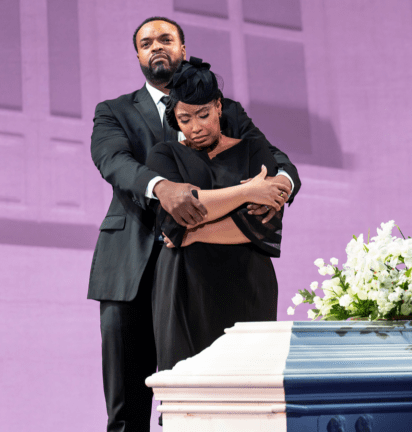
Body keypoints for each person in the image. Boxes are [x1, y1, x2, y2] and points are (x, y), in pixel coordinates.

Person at [89, 17, 300, 432]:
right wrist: (161, 186)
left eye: (165, 39)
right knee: (127, 408)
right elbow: (113, 162)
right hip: (129, 267)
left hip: (204, 276)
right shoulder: (113, 111)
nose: (156, 47)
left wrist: (281, 185)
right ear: (137, 56)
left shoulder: (226, 107)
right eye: (146, 42)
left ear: (183, 48)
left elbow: (275, 159)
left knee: (203, 399)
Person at [146, 57, 284, 372]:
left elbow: (264, 225)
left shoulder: (254, 151)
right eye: (184, 119)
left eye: (204, 114)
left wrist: (194, 230)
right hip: (185, 287)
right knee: (187, 395)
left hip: (249, 285)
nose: (195, 127)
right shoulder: (163, 156)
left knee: (253, 398)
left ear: (219, 106)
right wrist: (246, 192)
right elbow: (176, 219)